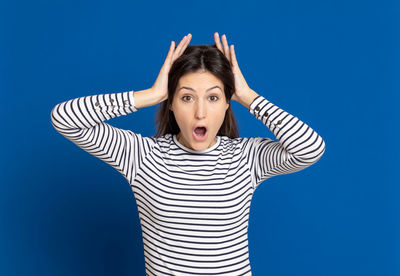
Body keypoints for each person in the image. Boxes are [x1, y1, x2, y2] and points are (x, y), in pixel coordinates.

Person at [51, 32, 326, 276]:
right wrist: (150, 94)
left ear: (227, 104)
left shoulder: (247, 157)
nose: (200, 112)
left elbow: (310, 148)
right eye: (186, 97)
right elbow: (64, 118)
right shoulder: (142, 156)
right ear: (171, 103)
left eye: (213, 97)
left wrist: (247, 96)